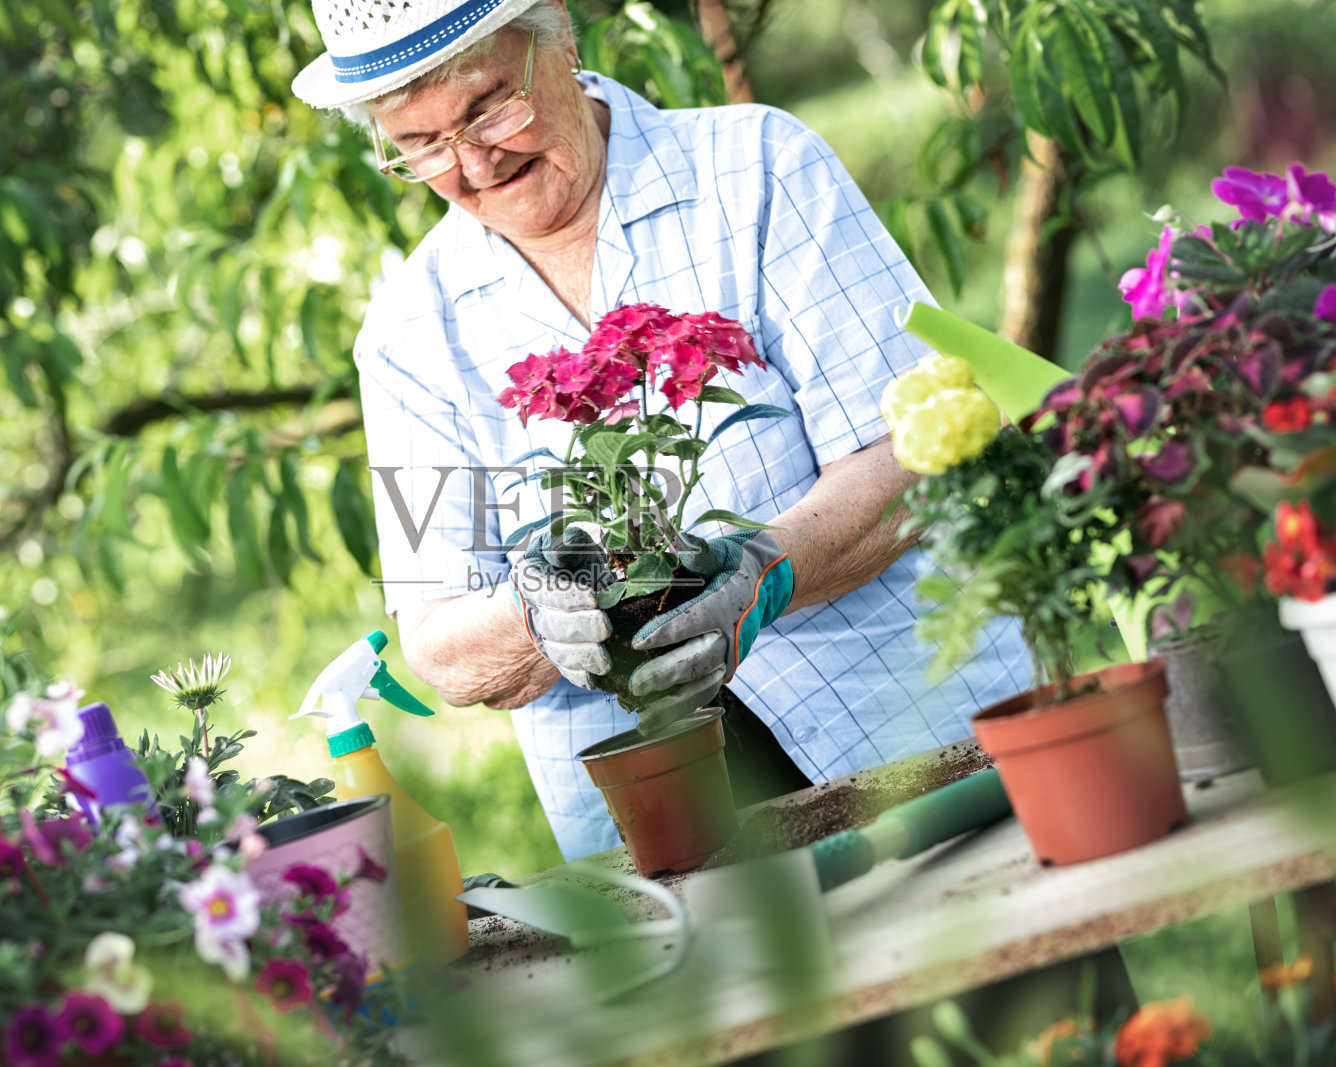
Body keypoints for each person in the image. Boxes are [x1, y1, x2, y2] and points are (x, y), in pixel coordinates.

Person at [291, 0, 1032, 863]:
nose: (472, 162)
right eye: (420, 143)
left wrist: (766, 568)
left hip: (909, 744)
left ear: (558, 38)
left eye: (488, 105)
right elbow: (435, 634)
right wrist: (533, 610)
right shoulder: (406, 338)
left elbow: (917, 452)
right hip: (662, 837)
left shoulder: (758, 167)